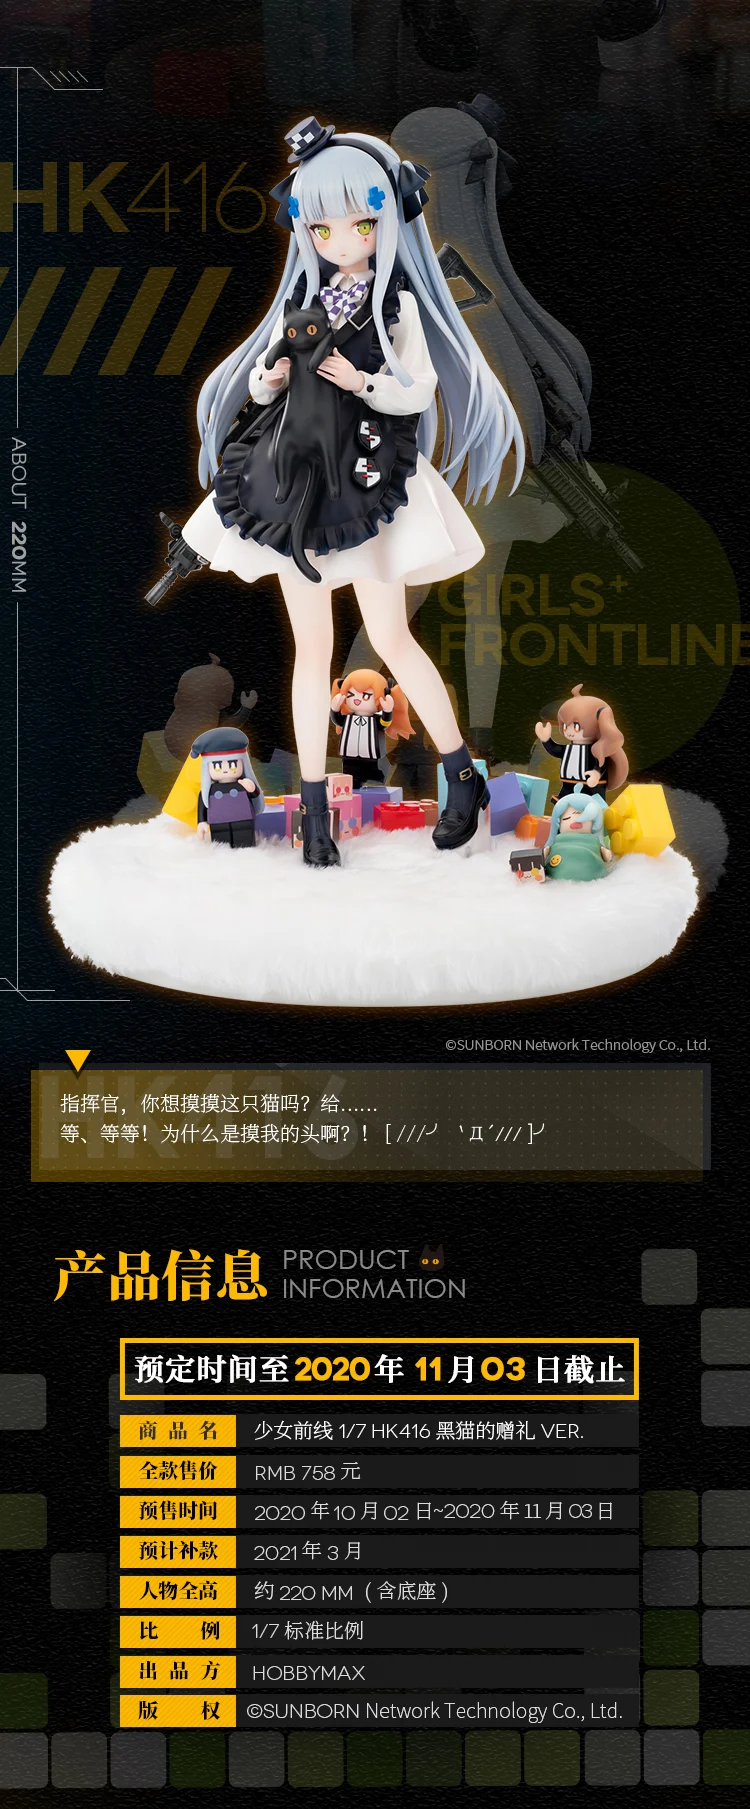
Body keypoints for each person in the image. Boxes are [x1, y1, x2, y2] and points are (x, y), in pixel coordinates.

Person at [178, 116, 524, 867]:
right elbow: (266, 386)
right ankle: (313, 807)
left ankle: (461, 774)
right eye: (322, 225)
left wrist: (361, 380)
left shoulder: (397, 305)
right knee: (312, 650)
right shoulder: (305, 300)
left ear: (386, 221)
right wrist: (270, 377)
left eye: (360, 223)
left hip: (367, 480)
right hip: (296, 480)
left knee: (392, 637)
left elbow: (417, 390)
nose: (340, 239)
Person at [191, 728, 264, 849]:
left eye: (232, 764)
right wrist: (202, 822)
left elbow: (254, 795)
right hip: (218, 822)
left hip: (243, 819)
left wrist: (252, 788)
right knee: (221, 843)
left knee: (244, 840)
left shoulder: (243, 784)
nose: (225, 770)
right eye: (217, 766)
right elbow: (203, 804)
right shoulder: (208, 791)